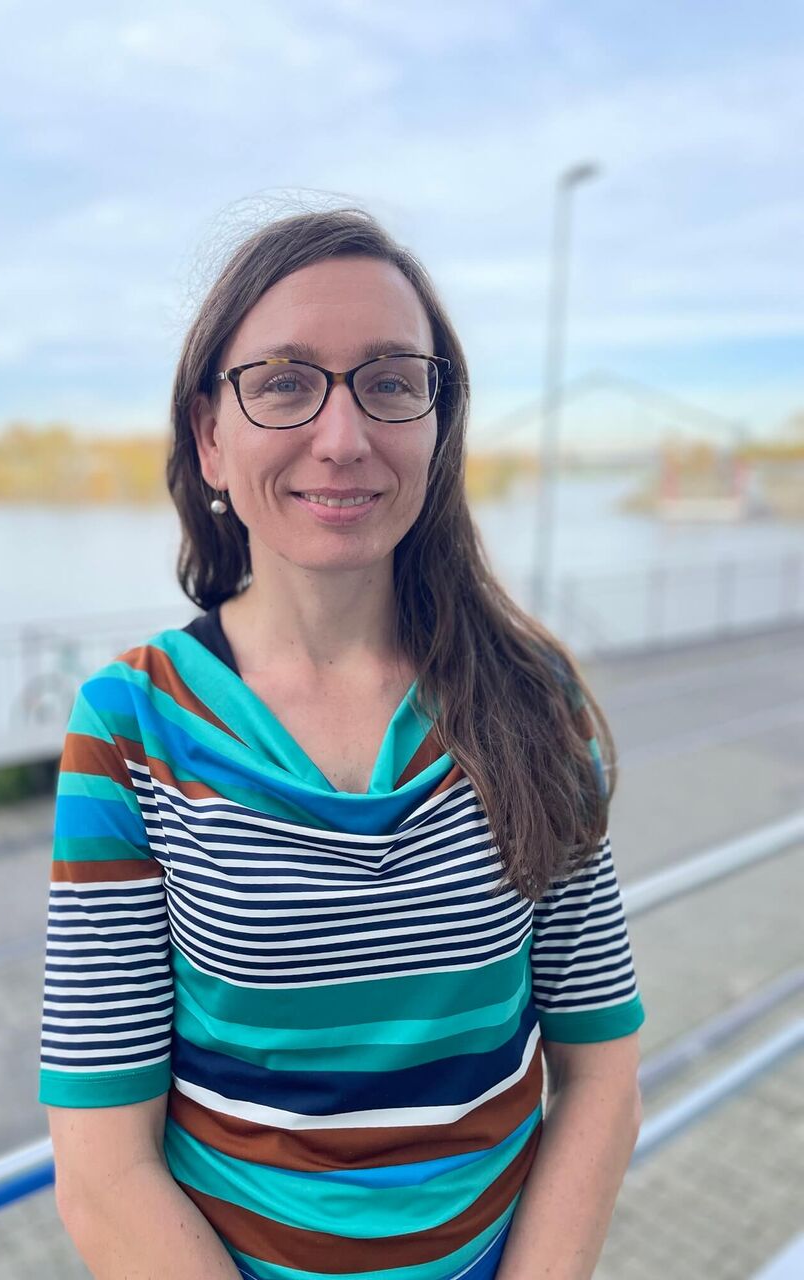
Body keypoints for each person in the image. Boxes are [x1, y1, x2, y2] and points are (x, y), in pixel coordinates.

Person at [40, 206, 645, 1280]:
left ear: (437, 423)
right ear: (210, 437)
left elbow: (600, 1074)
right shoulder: (131, 726)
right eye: (284, 382)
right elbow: (102, 1164)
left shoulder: (531, 702)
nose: (343, 436)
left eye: (390, 381)